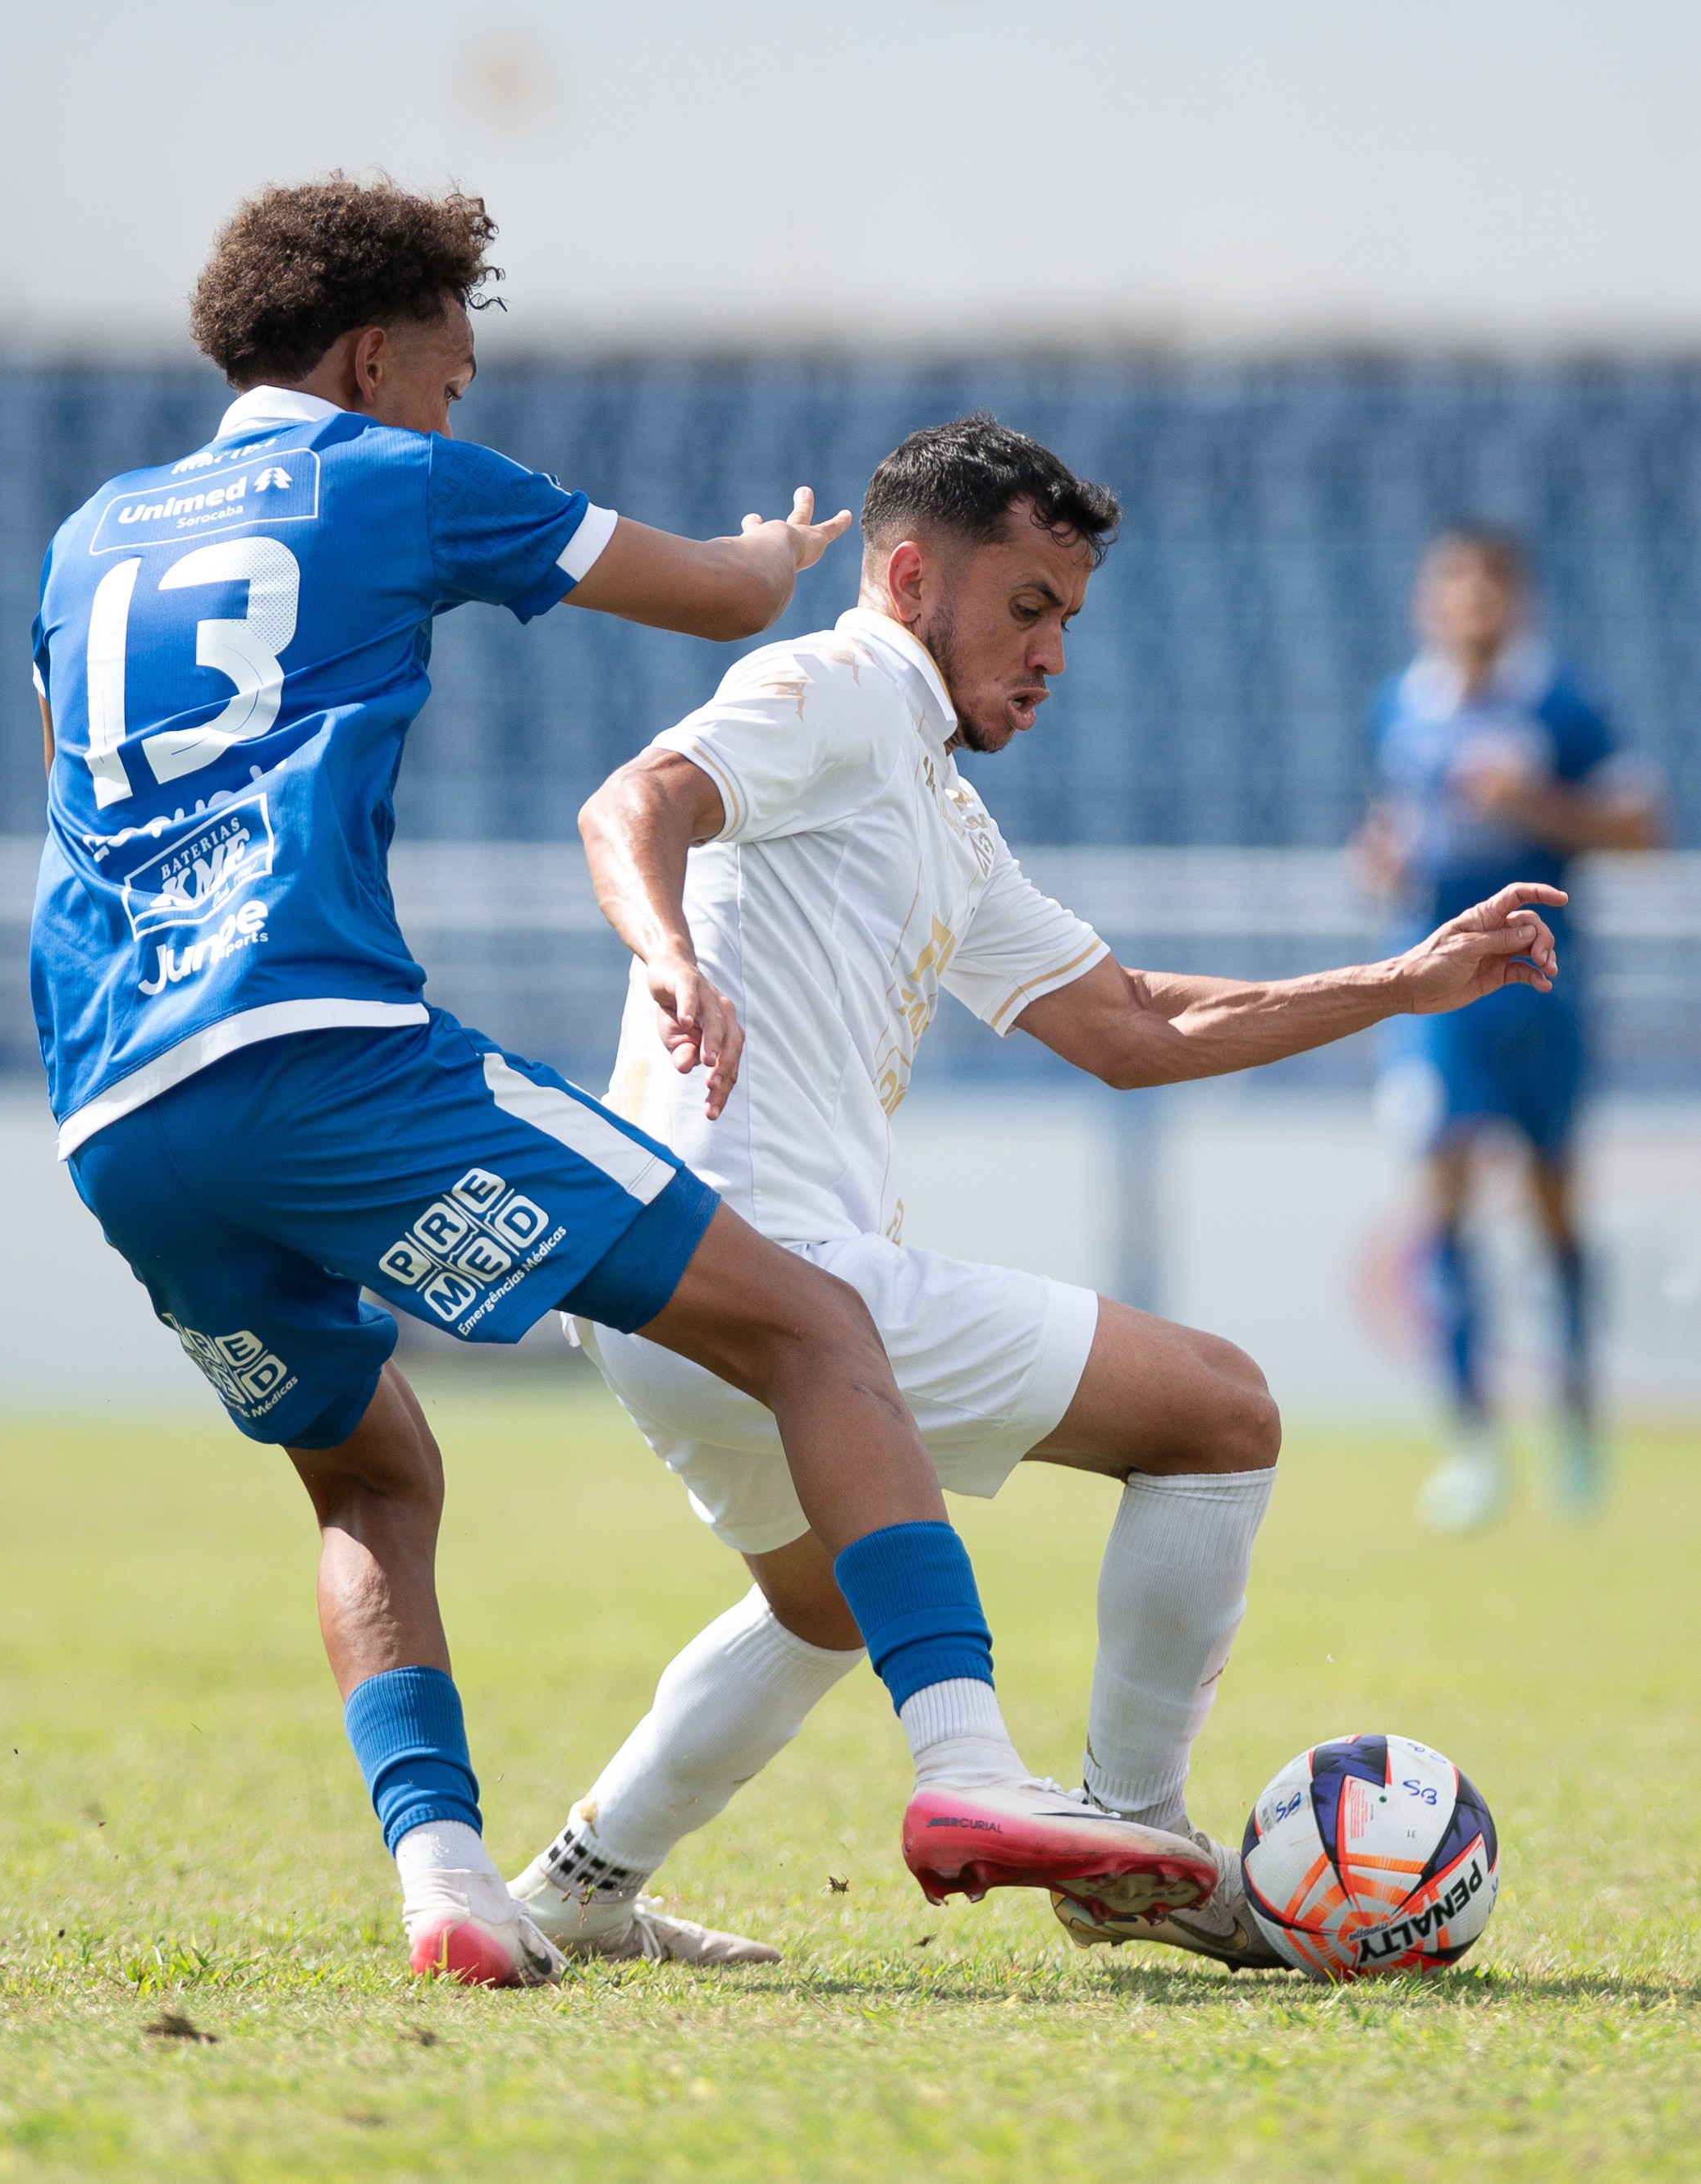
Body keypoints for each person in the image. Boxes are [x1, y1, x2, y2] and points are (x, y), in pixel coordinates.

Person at [29, 186, 1214, 1990]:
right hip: (316, 1042)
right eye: (451, 370)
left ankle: (452, 1884)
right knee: (815, 1325)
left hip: (112, 1098)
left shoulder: (86, 535)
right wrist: (774, 544)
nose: (455, 405)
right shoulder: (392, 475)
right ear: (372, 357)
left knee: (369, 1478)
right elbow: (723, 599)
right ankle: (970, 1768)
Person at [505, 416, 1563, 1969]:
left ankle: (581, 1887)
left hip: (666, 1298)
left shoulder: (934, 802)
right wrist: (668, 959)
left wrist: (1396, 987)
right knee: (1220, 1411)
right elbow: (630, 806)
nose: (1055, 648)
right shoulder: (843, 683)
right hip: (775, 1271)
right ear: (914, 574)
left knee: (826, 1602)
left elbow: (1130, 1024)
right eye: (1027, 606)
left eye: (1071, 615)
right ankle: (1127, 1828)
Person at [1356, 527, 1661, 1532]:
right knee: (1442, 1200)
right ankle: (1473, 1445)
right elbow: (1397, 832)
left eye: (1488, 582)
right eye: (1452, 581)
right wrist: (1385, 861)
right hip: (1442, 997)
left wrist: (1532, 800)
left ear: (1516, 598)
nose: (1469, 599)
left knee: (1552, 1211)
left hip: (1544, 990)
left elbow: (1642, 828)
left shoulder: (1562, 706)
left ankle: (1575, 1429)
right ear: (1427, 599)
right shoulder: (1402, 705)